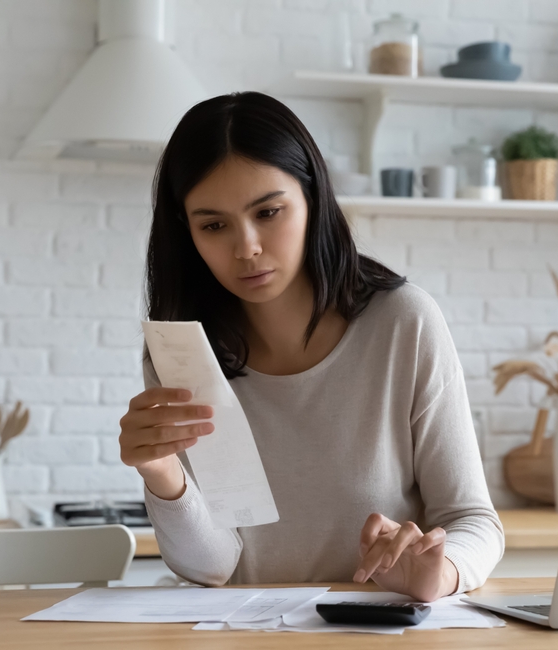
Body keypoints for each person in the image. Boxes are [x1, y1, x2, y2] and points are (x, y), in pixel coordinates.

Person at [118, 92, 503, 602]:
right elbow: (214, 568)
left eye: (269, 212)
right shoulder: (183, 356)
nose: (247, 246)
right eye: (213, 225)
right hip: (246, 646)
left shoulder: (403, 324)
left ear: (313, 199)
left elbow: (473, 520)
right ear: (186, 234)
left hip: (382, 647)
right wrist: (162, 475)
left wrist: (441, 572)